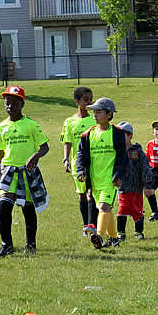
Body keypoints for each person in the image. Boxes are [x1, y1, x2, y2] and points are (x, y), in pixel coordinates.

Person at [0, 85, 50, 257]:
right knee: (4, 207)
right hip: (8, 171)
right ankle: (6, 245)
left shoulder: (31, 125)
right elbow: (0, 155)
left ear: (22, 104)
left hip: (27, 172)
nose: (10, 106)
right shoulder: (1, 127)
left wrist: (36, 156)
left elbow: (45, 147)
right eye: (7, 103)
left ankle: (31, 244)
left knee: (28, 209)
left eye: (14, 103)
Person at [75, 97, 127, 250]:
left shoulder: (117, 133)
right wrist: (80, 170)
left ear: (109, 114)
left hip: (110, 180)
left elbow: (122, 157)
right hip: (94, 180)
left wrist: (119, 175)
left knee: (103, 207)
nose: (95, 115)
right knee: (105, 209)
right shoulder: (87, 134)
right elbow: (81, 155)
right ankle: (113, 238)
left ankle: (98, 236)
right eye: (94, 112)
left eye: (99, 112)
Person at [60, 86, 98, 235]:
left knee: (91, 194)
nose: (89, 102)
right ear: (77, 101)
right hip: (78, 163)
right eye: (86, 99)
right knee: (82, 195)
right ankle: (85, 225)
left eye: (91, 99)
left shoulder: (94, 119)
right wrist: (66, 159)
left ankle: (93, 225)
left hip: (94, 162)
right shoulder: (69, 122)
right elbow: (67, 142)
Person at [115, 121, 155, 242]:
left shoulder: (136, 152)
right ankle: (120, 233)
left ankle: (138, 232)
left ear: (130, 136)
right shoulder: (117, 152)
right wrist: (114, 178)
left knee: (137, 210)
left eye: (123, 135)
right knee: (122, 209)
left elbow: (146, 167)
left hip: (136, 188)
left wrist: (148, 184)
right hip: (122, 188)